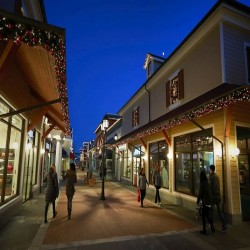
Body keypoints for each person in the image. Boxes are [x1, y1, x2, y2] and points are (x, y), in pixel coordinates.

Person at [209, 164, 227, 232]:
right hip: (218, 196)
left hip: (213, 196)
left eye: (209, 169)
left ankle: (211, 225)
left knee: (211, 211)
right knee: (220, 211)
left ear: (211, 169)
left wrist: (209, 195)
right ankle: (224, 225)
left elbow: (211, 187)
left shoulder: (211, 177)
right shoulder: (217, 176)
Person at [197, 170, 215, 235]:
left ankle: (204, 230)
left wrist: (198, 200)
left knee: (204, 215)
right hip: (209, 200)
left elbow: (200, 193)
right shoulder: (207, 182)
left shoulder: (202, 183)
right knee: (206, 214)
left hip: (205, 201)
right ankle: (212, 226)